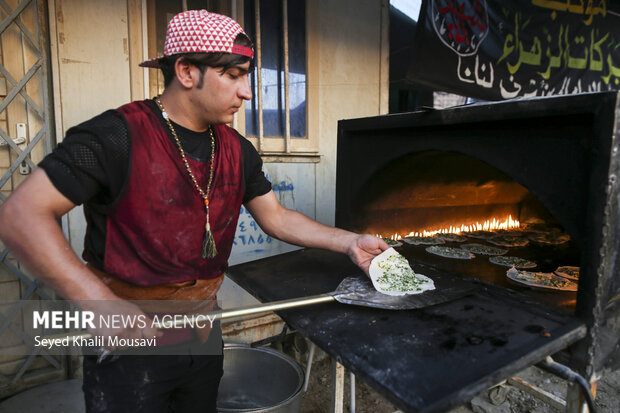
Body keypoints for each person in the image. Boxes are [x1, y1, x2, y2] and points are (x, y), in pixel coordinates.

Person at [0, 9, 388, 413]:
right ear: (186, 71)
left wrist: (349, 242)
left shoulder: (236, 150)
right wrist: (98, 303)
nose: (248, 92)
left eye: (247, 76)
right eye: (233, 75)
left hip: (202, 333)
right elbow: (21, 216)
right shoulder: (117, 135)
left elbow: (276, 217)